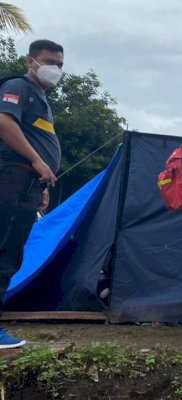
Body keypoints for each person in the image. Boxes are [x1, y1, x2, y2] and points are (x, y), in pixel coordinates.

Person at [0, 40, 64, 349]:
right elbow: (3, 122)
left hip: (28, 185)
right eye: (50, 61)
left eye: (60, 64)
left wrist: (43, 186)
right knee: (3, 250)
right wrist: (37, 161)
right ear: (31, 61)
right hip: (12, 179)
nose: (56, 69)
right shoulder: (18, 86)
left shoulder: (42, 99)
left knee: (11, 253)